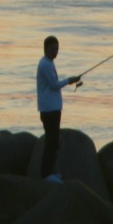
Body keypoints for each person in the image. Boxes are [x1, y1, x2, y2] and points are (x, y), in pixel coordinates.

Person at [36, 35, 81, 182]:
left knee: (53, 141)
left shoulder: (48, 63)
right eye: (53, 49)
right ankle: (46, 174)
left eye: (57, 49)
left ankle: (50, 171)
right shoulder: (45, 64)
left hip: (52, 108)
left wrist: (70, 80)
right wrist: (69, 80)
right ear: (46, 49)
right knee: (51, 141)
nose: (56, 51)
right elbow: (54, 85)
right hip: (49, 110)